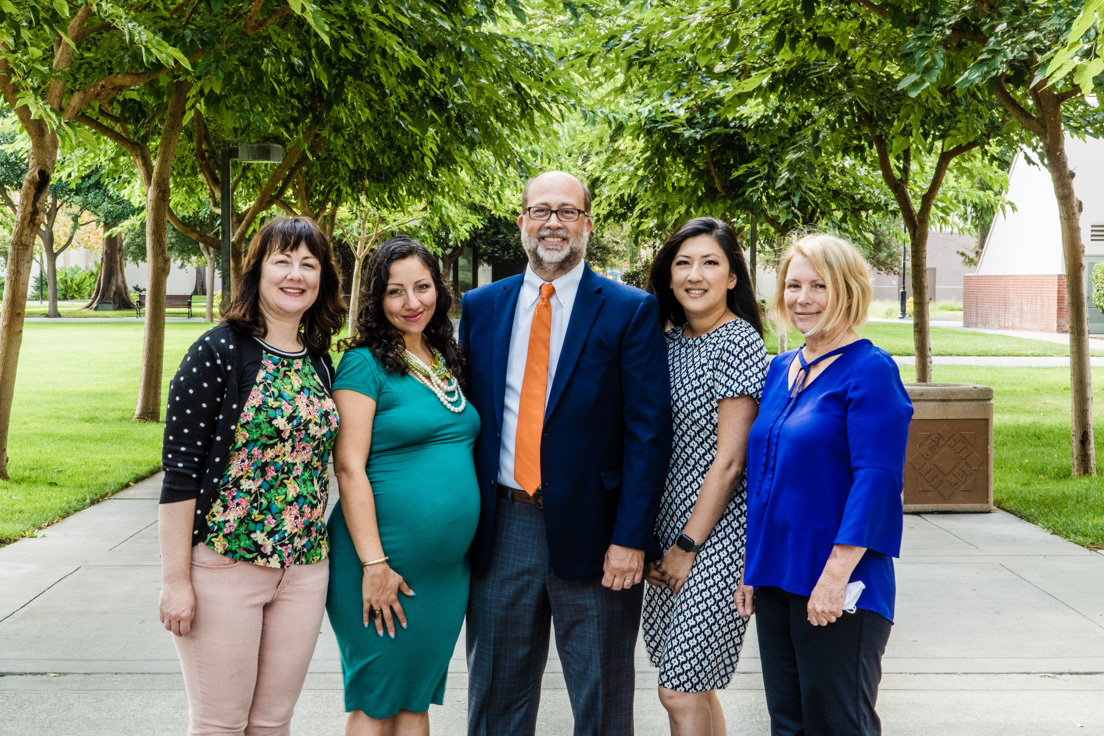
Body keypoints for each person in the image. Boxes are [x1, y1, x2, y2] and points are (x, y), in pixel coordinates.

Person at [459, 170, 672, 736]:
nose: (554, 223)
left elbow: (647, 436)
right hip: (503, 527)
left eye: (568, 212)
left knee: (602, 706)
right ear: (522, 222)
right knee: (495, 703)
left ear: (587, 224)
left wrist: (630, 539)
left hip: (600, 537)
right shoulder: (481, 308)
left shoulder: (630, 310)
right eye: (542, 211)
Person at [157, 216, 346, 735]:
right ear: (257, 270)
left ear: (322, 279)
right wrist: (176, 581)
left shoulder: (321, 364)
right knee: (221, 725)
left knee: (272, 723)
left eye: (308, 264)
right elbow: (179, 476)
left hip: (305, 571)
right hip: (224, 567)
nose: (295, 274)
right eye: (281, 260)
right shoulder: (217, 353)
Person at [735, 233, 913, 736]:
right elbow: (764, 478)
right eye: (793, 285)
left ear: (849, 292)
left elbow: (877, 483)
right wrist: (754, 567)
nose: (803, 299)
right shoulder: (781, 369)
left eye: (819, 286)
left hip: (840, 583)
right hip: (776, 579)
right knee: (788, 724)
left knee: (838, 724)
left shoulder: (871, 372)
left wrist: (834, 578)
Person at [326, 234, 480, 736]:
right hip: (379, 561)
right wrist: (375, 565)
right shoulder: (363, 364)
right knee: (376, 700)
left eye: (422, 287)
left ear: (439, 288)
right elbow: (348, 467)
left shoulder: (445, 359)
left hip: (443, 574)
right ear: (378, 298)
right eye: (396, 292)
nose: (412, 302)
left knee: (414, 702)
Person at [641, 217, 767, 736]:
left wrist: (687, 544)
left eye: (711, 262)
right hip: (671, 528)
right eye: (683, 263)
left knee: (679, 688)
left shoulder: (737, 342)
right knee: (695, 684)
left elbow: (731, 462)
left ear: (732, 277)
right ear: (668, 276)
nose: (696, 274)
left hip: (716, 536)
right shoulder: (664, 342)